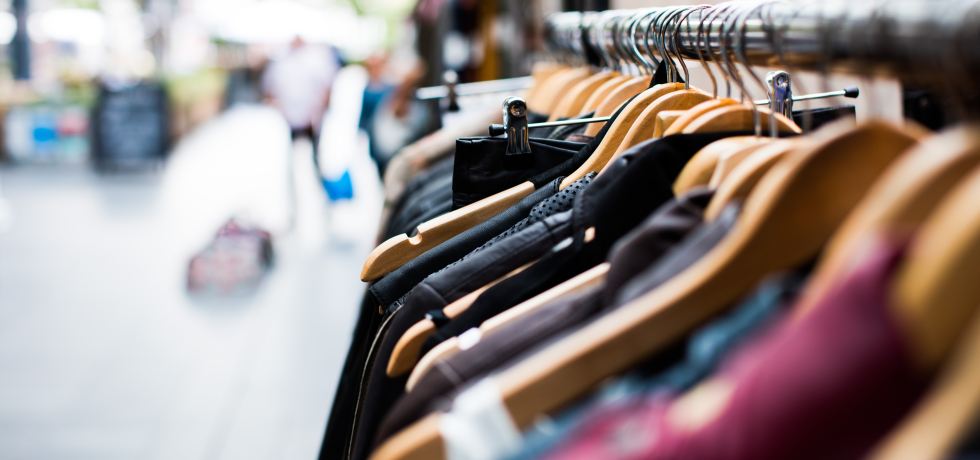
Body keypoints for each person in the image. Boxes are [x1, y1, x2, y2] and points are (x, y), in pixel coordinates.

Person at [262, 36, 339, 183]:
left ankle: (318, 183)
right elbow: (270, 90)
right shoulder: (281, 62)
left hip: (310, 119)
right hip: (288, 119)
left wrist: (317, 113)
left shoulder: (316, 61)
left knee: (314, 157)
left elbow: (327, 89)